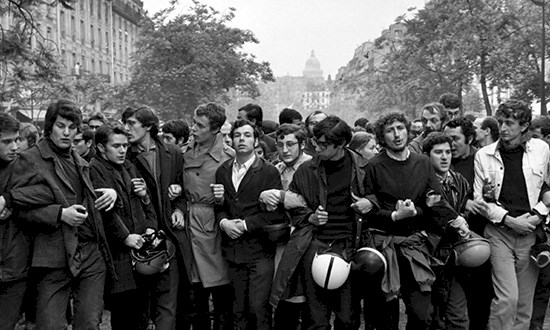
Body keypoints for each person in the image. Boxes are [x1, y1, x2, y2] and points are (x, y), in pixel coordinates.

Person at [7, 99, 117, 329]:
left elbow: (80, 195)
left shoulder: (79, 160)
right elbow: (18, 207)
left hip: (89, 251)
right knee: (50, 325)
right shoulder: (31, 159)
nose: (67, 133)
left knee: (88, 323)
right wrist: (59, 214)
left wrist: (109, 192)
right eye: (60, 126)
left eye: (72, 127)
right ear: (49, 127)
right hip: (53, 254)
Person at [363, 112, 457, 330]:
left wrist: (416, 212)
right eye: (390, 130)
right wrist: (394, 216)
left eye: (400, 128)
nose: (397, 135)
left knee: (422, 314)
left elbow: (435, 201)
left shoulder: (423, 163)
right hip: (385, 247)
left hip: (416, 246)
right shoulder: (374, 166)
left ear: (407, 130)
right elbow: (368, 211)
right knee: (385, 318)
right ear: (381, 136)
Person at [282, 116, 373, 329]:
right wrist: (310, 217)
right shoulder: (307, 170)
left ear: (341, 144)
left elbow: (380, 197)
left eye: (323, 145)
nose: (317, 149)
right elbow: (293, 206)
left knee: (347, 316)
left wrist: (370, 202)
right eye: (315, 143)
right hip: (315, 244)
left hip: (350, 245)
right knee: (315, 318)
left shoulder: (364, 167)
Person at [473, 99, 550, 330]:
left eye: (510, 123)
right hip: (499, 233)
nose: (503, 128)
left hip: (530, 233)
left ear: (524, 126)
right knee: (507, 299)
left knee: (524, 305)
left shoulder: (541, 150)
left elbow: (548, 188)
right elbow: (480, 199)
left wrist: (537, 216)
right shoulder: (484, 155)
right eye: (500, 122)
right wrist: (509, 220)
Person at [123, 105, 194, 330]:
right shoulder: (124, 156)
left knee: (169, 303)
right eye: (125, 123)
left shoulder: (172, 153)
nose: (126, 129)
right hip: (138, 239)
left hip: (169, 238)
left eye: (131, 123)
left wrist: (179, 209)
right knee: (139, 305)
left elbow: (182, 189)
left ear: (148, 126)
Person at [215, 119, 285, 330]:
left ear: (256, 140)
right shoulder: (223, 171)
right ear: (231, 140)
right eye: (237, 135)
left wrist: (244, 225)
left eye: (247, 135)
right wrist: (224, 222)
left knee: (258, 307)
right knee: (237, 310)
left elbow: (275, 214)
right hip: (232, 249)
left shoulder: (268, 171)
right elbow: (220, 206)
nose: (241, 139)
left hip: (259, 248)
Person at [89, 125, 156, 330]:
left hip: (140, 252)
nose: (122, 150)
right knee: (123, 314)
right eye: (116, 146)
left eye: (125, 145)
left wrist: (150, 225)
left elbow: (145, 202)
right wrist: (125, 237)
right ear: (101, 148)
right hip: (117, 254)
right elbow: (104, 211)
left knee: (141, 314)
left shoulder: (129, 166)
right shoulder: (95, 169)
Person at [183, 103, 234, 330]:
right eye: (194, 123)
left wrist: (223, 199)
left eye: (200, 125)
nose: (193, 129)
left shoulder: (229, 157)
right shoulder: (185, 152)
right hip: (188, 223)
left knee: (221, 291)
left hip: (215, 226)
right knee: (194, 294)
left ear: (215, 130)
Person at [259, 124, 312, 330]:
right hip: (280, 236)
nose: (285, 149)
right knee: (283, 293)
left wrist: (281, 196)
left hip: (307, 235)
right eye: (280, 145)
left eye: (290, 144)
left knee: (305, 295)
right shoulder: (276, 168)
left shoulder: (311, 166)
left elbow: (312, 199)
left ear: (302, 144)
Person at [422, 132, 472, 329]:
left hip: (454, 256)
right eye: (438, 152)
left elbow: (464, 210)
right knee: (427, 317)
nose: (444, 157)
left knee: (458, 318)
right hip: (427, 255)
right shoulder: (421, 179)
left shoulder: (460, 181)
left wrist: (463, 221)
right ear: (427, 155)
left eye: (448, 152)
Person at [443, 117, 477, 186]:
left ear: (469, 139)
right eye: (447, 139)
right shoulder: (442, 160)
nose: (451, 143)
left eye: (455, 139)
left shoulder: (481, 159)